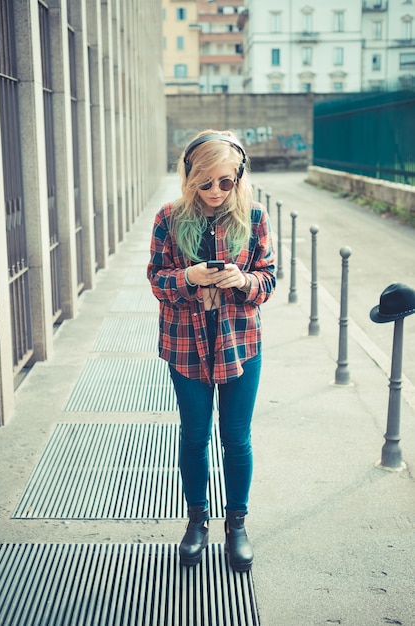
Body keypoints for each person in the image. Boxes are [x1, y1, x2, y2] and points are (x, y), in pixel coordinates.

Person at [147, 129, 276, 572]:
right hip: (186, 346)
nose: (217, 191)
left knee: (236, 438)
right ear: (190, 177)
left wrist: (244, 281)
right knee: (194, 435)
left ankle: (236, 525)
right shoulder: (168, 217)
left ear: (239, 176)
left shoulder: (255, 218)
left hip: (240, 343)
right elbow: (157, 282)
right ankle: (197, 522)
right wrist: (190, 278)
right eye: (206, 182)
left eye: (226, 181)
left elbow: (269, 279)